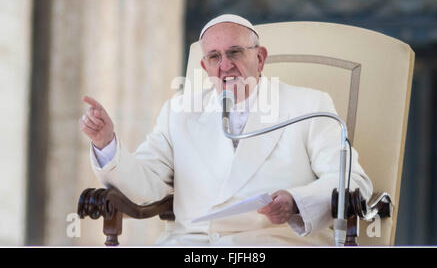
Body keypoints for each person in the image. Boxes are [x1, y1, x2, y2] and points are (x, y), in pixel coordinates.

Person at [80, 14, 373, 246]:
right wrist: (106, 143)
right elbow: (146, 186)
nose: (225, 65)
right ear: (204, 67)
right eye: (214, 57)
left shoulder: (308, 104)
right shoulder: (179, 112)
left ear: (260, 59)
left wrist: (296, 202)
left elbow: (353, 181)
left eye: (235, 52)